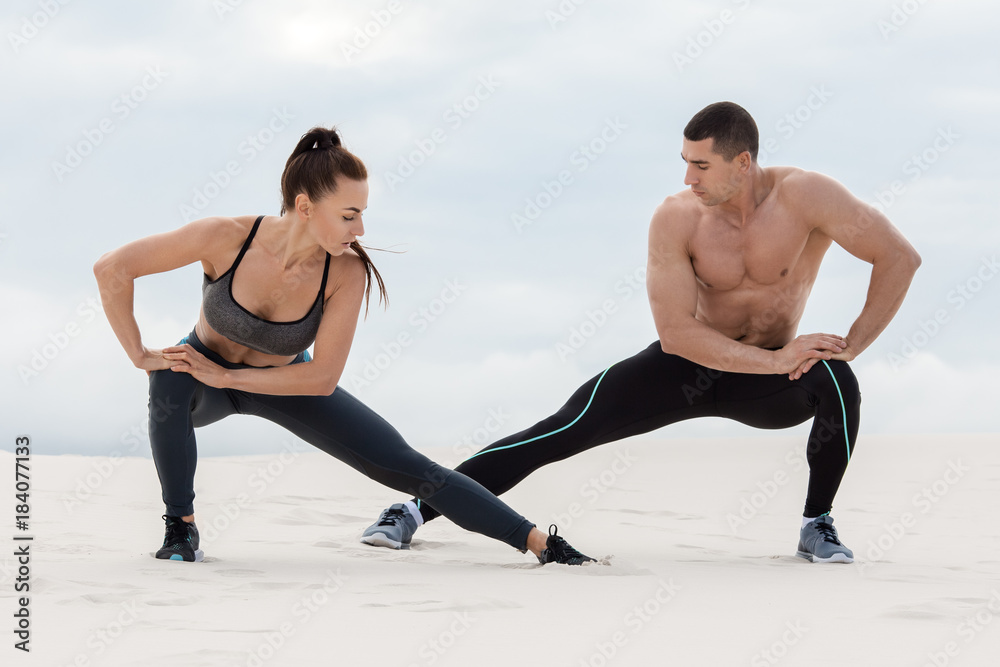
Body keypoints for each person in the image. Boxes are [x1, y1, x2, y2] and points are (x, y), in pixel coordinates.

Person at [360, 102, 922, 564]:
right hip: (686, 367)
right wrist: (776, 363)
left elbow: (899, 257)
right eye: (685, 162)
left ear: (743, 162)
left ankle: (815, 524)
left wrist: (848, 344)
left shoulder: (807, 196)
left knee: (839, 381)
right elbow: (677, 334)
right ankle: (413, 510)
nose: (687, 177)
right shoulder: (676, 217)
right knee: (564, 427)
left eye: (701, 165)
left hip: (768, 376)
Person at [93, 126, 593, 566]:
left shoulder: (345, 271)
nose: (360, 230)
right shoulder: (226, 238)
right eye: (350, 215)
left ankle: (539, 544)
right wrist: (139, 353)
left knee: (409, 466)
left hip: (288, 383)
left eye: (362, 215)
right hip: (203, 379)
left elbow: (322, 377)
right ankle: (181, 527)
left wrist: (228, 377)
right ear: (306, 206)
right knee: (168, 377)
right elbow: (112, 267)